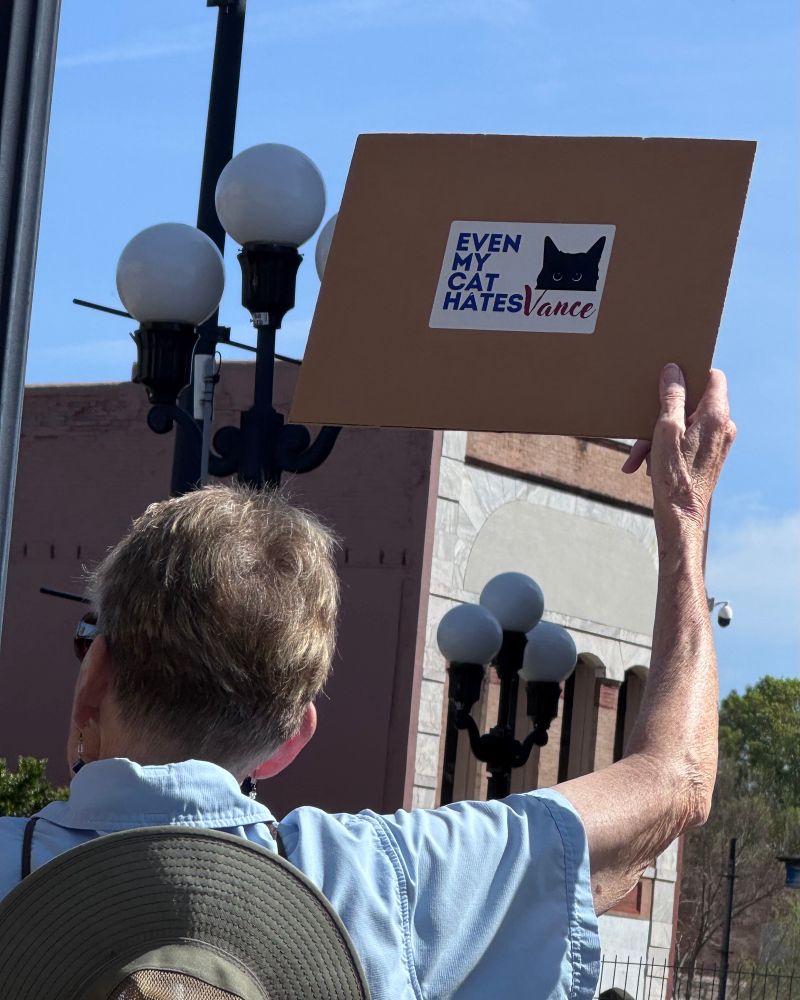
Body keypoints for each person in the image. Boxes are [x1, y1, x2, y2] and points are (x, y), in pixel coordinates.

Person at [0, 363, 735, 1000]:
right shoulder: (383, 883)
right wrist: (684, 518)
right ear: (290, 740)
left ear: (93, 679)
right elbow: (677, 778)